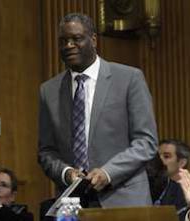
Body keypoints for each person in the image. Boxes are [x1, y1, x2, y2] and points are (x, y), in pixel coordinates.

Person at [38, 13, 158, 208]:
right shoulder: (48, 91)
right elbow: (46, 151)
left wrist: (108, 172)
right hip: (73, 204)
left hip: (124, 200)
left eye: (76, 39)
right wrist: (66, 173)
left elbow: (146, 142)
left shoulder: (129, 79)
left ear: (93, 40)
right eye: (63, 41)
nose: (69, 45)